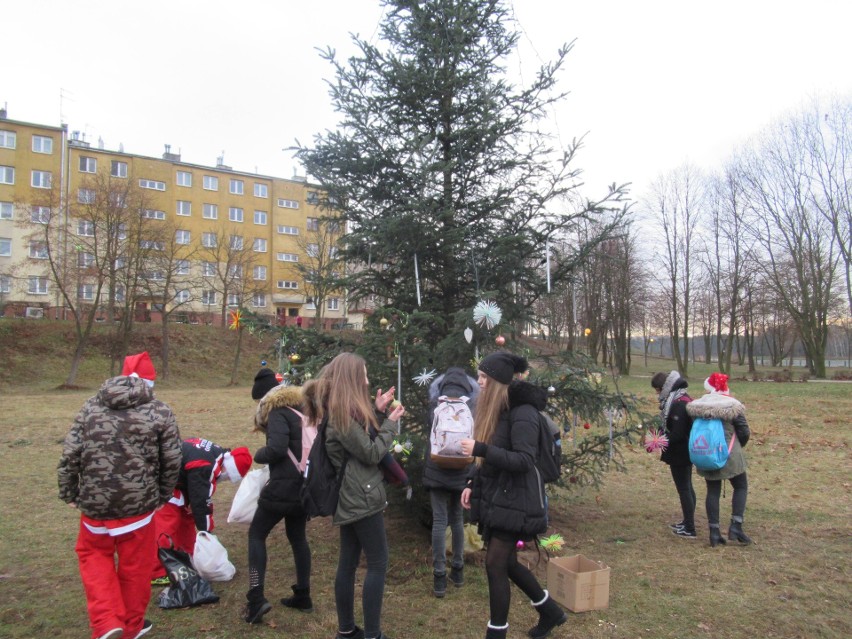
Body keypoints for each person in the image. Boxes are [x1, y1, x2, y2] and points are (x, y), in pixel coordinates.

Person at [58, 351, 182, 639]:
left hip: (95, 504)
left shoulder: (90, 406)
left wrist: (69, 491)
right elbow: (172, 459)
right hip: (138, 507)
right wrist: (162, 494)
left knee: (93, 555)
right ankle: (128, 625)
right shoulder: (160, 411)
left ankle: (106, 621)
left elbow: (70, 453)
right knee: (135, 567)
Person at [460, 352, 567, 639]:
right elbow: (491, 455)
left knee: (495, 564)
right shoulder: (500, 409)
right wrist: (472, 481)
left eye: (484, 378)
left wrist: (480, 450)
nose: (479, 382)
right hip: (501, 496)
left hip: (518, 500)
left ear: (497, 382)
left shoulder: (524, 414)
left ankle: (496, 634)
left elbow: (523, 460)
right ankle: (550, 612)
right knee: (505, 562)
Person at [312, 352, 405, 639]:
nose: (367, 379)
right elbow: (372, 452)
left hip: (352, 496)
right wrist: (390, 423)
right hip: (360, 498)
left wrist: (376, 411)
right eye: (363, 374)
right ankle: (372, 635)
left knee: (348, 563)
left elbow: (360, 440)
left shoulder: (344, 410)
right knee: (377, 563)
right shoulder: (341, 416)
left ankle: (347, 631)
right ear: (353, 378)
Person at [243, 373, 313, 623]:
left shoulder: (277, 412)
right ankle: (303, 595)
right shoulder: (302, 410)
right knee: (298, 537)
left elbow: (277, 449)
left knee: (256, 534)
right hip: (303, 487)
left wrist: (258, 454)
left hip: (282, 488)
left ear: (265, 397)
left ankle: (255, 599)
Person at [151, 439, 252, 584]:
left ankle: (189, 556)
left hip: (173, 480)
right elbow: (201, 501)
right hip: (162, 481)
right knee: (166, 525)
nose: (225, 478)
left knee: (186, 518)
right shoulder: (205, 465)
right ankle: (157, 571)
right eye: (228, 475)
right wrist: (206, 531)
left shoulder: (214, 454)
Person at [422, 366, 477, 597]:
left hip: (437, 467)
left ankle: (439, 578)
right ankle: (458, 570)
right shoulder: (471, 407)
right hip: (461, 469)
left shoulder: (436, 405)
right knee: (456, 519)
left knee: (439, 520)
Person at [686, 372, 753, 547]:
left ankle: (714, 532)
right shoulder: (731, 406)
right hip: (730, 454)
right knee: (741, 486)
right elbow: (744, 432)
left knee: (712, 491)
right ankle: (736, 526)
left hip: (707, 453)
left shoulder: (698, 407)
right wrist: (738, 447)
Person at [650, 370, 697, 539]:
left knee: (684, 488)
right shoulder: (678, 399)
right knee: (686, 487)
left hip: (681, 452)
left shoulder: (677, 404)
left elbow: (677, 434)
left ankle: (690, 527)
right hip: (682, 451)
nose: (656, 393)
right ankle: (687, 521)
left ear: (664, 387)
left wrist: (656, 441)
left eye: (657, 389)